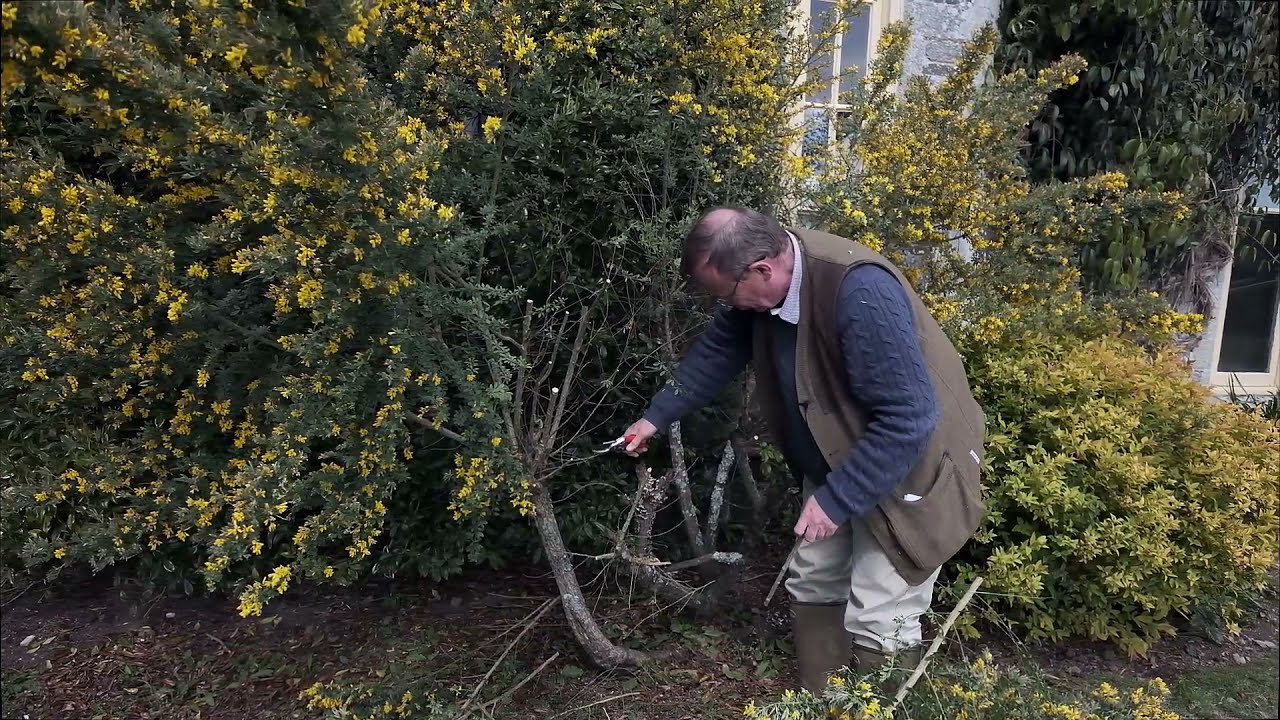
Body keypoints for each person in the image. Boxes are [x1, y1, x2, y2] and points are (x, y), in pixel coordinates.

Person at [621, 206, 986, 693]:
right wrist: (656, 416)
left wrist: (836, 500)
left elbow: (909, 418)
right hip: (837, 457)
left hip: (908, 466)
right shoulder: (762, 291)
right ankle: (826, 705)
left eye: (726, 294)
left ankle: (881, 707)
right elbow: (719, 349)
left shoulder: (860, 292)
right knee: (813, 582)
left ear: (762, 270)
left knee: (881, 610)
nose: (726, 306)